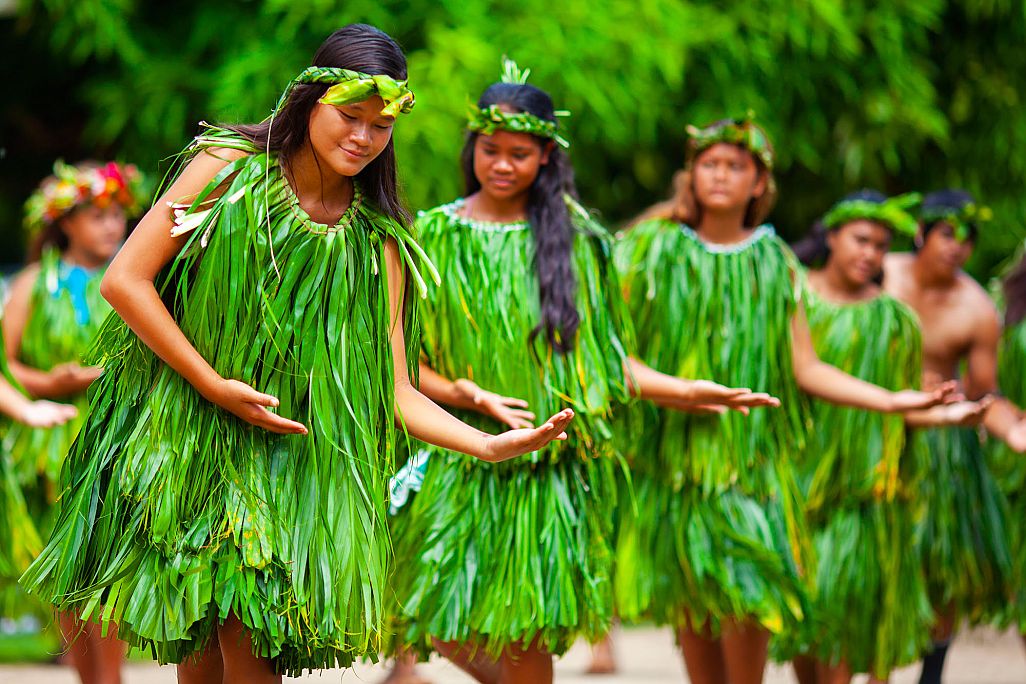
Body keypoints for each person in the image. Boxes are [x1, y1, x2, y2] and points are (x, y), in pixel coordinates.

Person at [21, 25, 577, 684]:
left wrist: (482, 445)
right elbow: (126, 281)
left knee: (253, 642)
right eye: (350, 115)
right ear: (310, 99)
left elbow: (395, 390)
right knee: (200, 659)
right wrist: (212, 383)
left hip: (286, 469)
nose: (363, 137)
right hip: (190, 446)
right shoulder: (229, 169)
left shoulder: (378, 241)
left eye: (381, 125)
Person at [386, 62, 778, 684]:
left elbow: (604, 362)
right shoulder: (431, 235)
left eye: (520, 153)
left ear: (546, 157)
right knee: (426, 613)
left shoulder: (575, 240)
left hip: (547, 467)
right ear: (473, 148)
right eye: (491, 149)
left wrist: (682, 390)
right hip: (462, 458)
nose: (503, 164)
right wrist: (466, 393)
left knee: (525, 634)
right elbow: (406, 368)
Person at [614, 116, 952, 684]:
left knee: (752, 601)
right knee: (695, 614)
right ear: (691, 174)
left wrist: (894, 401)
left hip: (755, 468)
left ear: (758, 184)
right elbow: (612, 352)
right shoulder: (650, 249)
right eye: (709, 163)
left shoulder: (776, 263)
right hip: (674, 466)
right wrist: (681, 392)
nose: (720, 174)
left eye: (736, 165)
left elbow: (807, 366)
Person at [785, 190, 989, 684]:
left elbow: (902, 404)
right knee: (804, 640)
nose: (870, 255)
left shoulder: (894, 320)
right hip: (797, 483)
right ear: (831, 236)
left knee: (839, 625)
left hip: (864, 493)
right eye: (860, 240)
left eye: (880, 245)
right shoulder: (795, 300)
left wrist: (946, 418)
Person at [4, 159, 142, 684]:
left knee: (107, 578)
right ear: (65, 222)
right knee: (71, 577)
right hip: (58, 442)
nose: (111, 227)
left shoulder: (132, 279)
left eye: (117, 215)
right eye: (97, 216)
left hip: (122, 441)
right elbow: (7, 365)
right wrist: (50, 384)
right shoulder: (36, 285)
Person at [882, 189, 1026, 684]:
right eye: (947, 233)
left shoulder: (977, 308)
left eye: (968, 239)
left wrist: (1015, 431)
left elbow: (988, 396)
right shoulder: (879, 274)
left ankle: (930, 676)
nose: (957, 247)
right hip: (873, 431)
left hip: (944, 445)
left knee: (942, 565)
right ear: (921, 233)